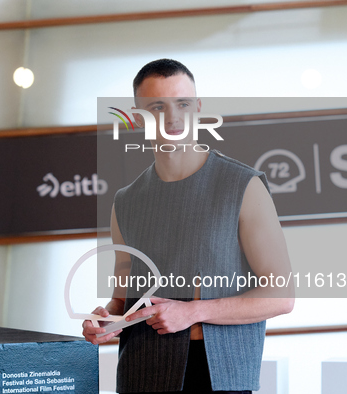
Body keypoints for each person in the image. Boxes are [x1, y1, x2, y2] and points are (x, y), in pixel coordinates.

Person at [83, 59, 294, 393]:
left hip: (218, 375)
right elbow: (123, 301)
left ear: (197, 108)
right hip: (141, 375)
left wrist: (193, 311)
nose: (173, 117)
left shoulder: (243, 185)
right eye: (157, 106)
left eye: (182, 103)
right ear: (138, 117)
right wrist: (106, 322)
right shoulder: (125, 201)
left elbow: (281, 296)